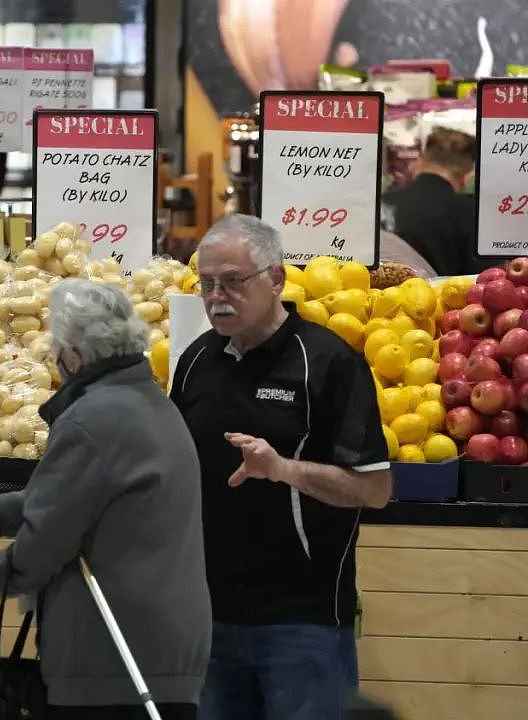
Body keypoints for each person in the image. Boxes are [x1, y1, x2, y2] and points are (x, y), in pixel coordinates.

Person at [0, 279, 211, 720]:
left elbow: (52, 531)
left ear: (75, 354)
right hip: (164, 650)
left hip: (112, 655)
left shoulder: (92, 417)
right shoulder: (151, 404)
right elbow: (81, 496)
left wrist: (3, 572)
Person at [170, 215, 392, 720]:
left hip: (303, 621)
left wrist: (282, 469)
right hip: (209, 617)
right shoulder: (194, 362)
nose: (217, 296)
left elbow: (375, 488)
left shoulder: (329, 362)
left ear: (276, 279)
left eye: (232, 280)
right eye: (207, 283)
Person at [381, 127, 480, 276]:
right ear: (467, 178)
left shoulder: (382, 202)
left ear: (417, 164)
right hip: (440, 297)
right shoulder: (472, 213)